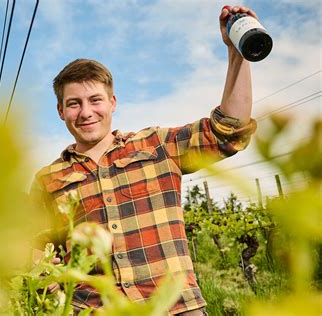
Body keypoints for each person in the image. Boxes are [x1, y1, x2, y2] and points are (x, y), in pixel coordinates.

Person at [31, 5, 258, 315]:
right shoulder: (48, 179)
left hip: (177, 310)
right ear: (61, 111)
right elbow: (33, 245)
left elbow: (228, 130)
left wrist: (237, 54)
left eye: (95, 100)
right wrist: (39, 267)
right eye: (74, 104)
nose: (86, 112)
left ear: (112, 103)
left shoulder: (157, 145)